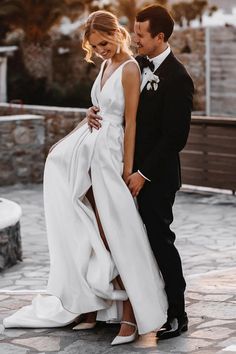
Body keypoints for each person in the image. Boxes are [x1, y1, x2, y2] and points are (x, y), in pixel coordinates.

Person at [3, 10, 168, 346]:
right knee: (88, 225)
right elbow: (102, 108)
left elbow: (130, 122)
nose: (101, 50)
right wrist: (89, 113)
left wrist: (127, 167)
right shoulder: (105, 65)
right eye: (95, 46)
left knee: (115, 232)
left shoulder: (131, 68)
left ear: (117, 33)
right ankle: (91, 302)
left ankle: (130, 313)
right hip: (89, 149)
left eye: (105, 42)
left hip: (109, 156)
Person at [87, 5, 194, 340]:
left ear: (159, 37)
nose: (134, 38)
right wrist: (96, 111)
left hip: (156, 177)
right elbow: (122, 112)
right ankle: (131, 307)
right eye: (134, 31)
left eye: (141, 34)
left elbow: (175, 137)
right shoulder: (135, 65)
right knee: (128, 240)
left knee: (160, 241)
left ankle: (177, 313)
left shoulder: (178, 77)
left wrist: (141, 174)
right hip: (124, 168)